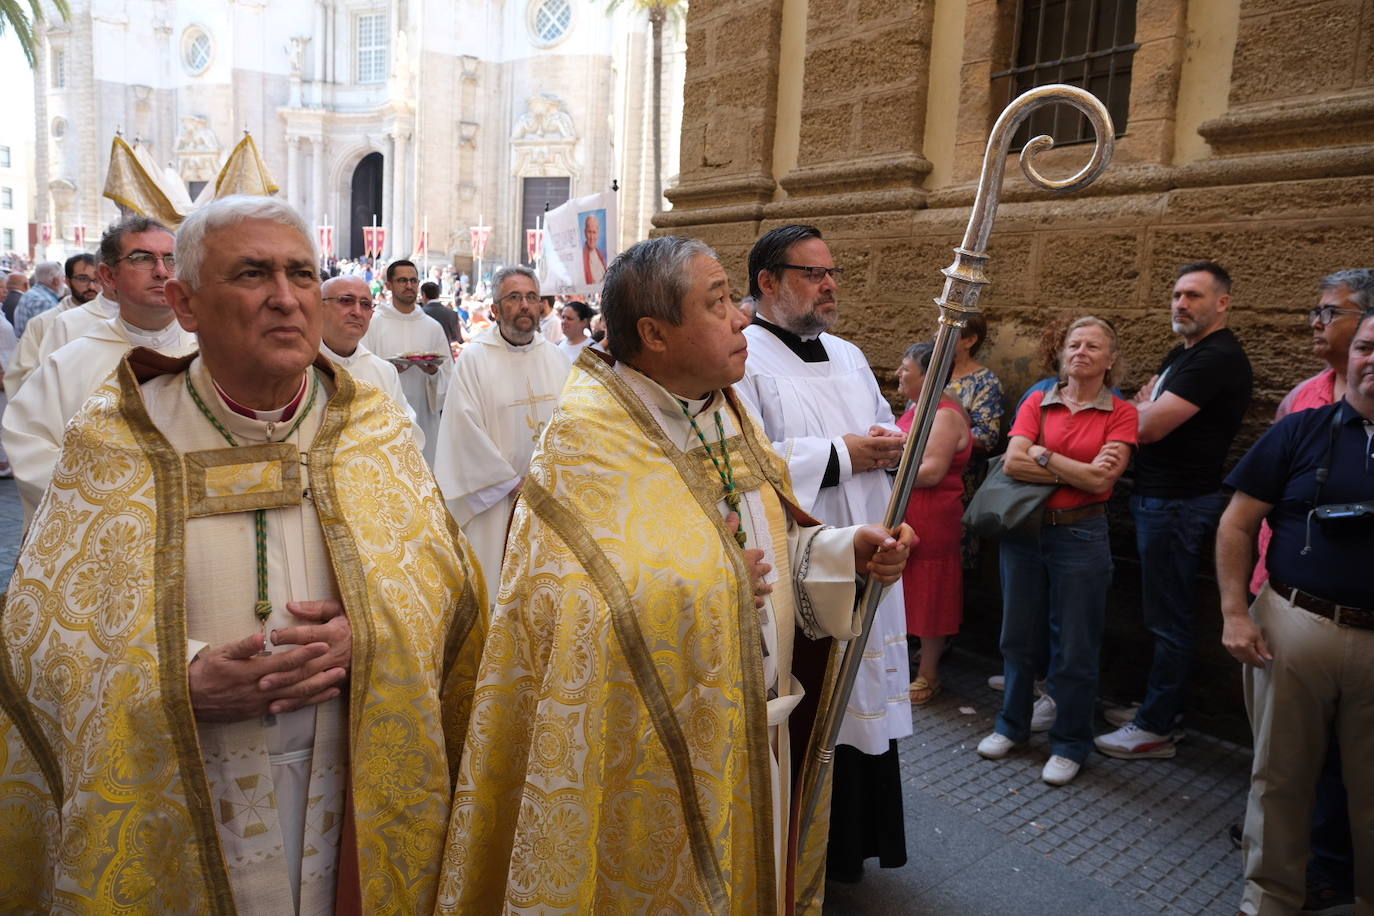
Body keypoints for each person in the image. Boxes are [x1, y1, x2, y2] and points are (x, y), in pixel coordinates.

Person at [0, 195, 486, 913]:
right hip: (185, 768)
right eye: (253, 275)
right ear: (186, 303)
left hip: (352, 771)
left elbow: (446, 583)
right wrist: (174, 676)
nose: (287, 300)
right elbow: (41, 632)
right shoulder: (117, 437)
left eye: (300, 273)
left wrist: (375, 633)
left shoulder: (371, 426)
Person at [435, 235, 914, 914]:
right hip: (647, 751)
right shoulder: (587, 439)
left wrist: (840, 554)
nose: (744, 318)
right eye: (718, 303)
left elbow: (772, 552)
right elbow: (575, 619)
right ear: (655, 333)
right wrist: (717, 583)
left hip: (757, 727)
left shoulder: (727, 413)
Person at [735, 224, 911, 884]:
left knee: (864, 689)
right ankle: (806, 851)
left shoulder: (848, 353)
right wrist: (840, 454)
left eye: (833, 272)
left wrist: (884, 445)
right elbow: (744, 463)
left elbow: (881, 430)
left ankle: (860, 842)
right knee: (821, 692)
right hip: (806, 559)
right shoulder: (742, 357)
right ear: (769, 283)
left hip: (866, 540)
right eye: (813, 274)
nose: (830, 284)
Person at [1215, 308, 1374, 916]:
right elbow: (1236, 523)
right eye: (1364, 346)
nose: (1372, 359)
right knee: (1279, 778)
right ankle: (1269, 901)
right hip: (1293, 626)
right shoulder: (1299, 431)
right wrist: (1234, 612)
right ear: (1349, 354)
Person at [1097, 260, 1253, 759]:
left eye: (1194, 296)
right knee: (1161, 612)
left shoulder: (1217, 358)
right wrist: (1139, 409)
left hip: (1180, 503)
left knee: (1170, 618)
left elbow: (1144, 425)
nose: (1181, 304)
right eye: (1177, 295)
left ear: (1222, 303)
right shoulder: (1183, 354)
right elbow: (1139, 411)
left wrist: (1138, 411)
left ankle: (1158, 726)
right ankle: (1156, 709)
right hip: (1160, 498)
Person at [976, 317, 1137, 786]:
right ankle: (1012, 726)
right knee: (1017, 636)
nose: (1081, 352)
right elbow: (1013, 460)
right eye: (1074, 344)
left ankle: (1070, 743)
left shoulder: (1121, 412)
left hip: (1081, 535)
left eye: (1093, 346)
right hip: (1026, 532)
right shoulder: (1038, 397)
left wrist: (1043, 455)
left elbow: (1102, 481)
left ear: (1110, 360)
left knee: (1076, 645)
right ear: (1063, 353)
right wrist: (1074, 469)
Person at [2, 218, 197, 521]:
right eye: (142, 259)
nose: (161, 271)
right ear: (108, 275)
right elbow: (30, 445)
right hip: (104, 529)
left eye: (171, 259)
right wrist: (120, 504)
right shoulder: (68, 361)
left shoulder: (212, 351)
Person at [434, 265, 571, 590]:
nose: (525, 305)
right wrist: (511, 483)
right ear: (495, 309)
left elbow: (573, 424)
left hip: (551, 497)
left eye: (531, 297)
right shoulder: (475, 360)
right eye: (514, 297)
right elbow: (462, 432)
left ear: (541, 306)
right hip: (496, 502)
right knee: (497, 589)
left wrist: (552, 477)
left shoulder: (557, 359)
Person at [895, 341, 972, 705]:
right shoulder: (920, 407)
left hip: (932, 513)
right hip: (911, 509)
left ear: (927, 375)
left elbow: (932, 471)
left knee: (930, 591)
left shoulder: (943, 414)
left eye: (906, 367)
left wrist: (883, 467)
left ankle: (929, 674)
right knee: (908, 587)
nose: (898, 373)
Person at [361, 258, 453, 465]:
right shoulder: (374, 324)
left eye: (413, 280)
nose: (409, 285)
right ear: (389, 285)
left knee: (426, 469)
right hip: (384, 416)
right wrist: (388, 370)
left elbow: (449, 374)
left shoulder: (432, 327)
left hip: (424, 412)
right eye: (402, 280)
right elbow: (362, 368)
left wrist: (434, 373)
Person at [7, 241, 124, 397]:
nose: (91, 286)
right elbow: (22, 376)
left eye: (95, 280)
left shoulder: (121, 316)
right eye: (83, 279)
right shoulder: (44, 323)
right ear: (67, 281)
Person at [319, 274, 424, 447]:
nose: (357, 312)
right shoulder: (299, 366)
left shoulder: (384, 371)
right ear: (319, 306)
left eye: (366, 305)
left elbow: (407, 430)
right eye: (346, 301)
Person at [11, 260, 64, 336]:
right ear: (56, 280)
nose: (64, 282)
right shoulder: (45, 301)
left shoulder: (30, 294)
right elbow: (49, 337)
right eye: (62, 278)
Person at [421, 279, 462, 345]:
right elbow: (458, 338)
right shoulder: (451, 313)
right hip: (445, 352)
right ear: (438, 295)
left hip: (424, 352)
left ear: (424, 294)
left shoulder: (420, 313)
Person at [581, 211, 607, 283]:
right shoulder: (581, 257)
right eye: (589, 232)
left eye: (594, 232)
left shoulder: (600, 255)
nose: (592, 237)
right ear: (585, 233)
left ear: (598, 234)